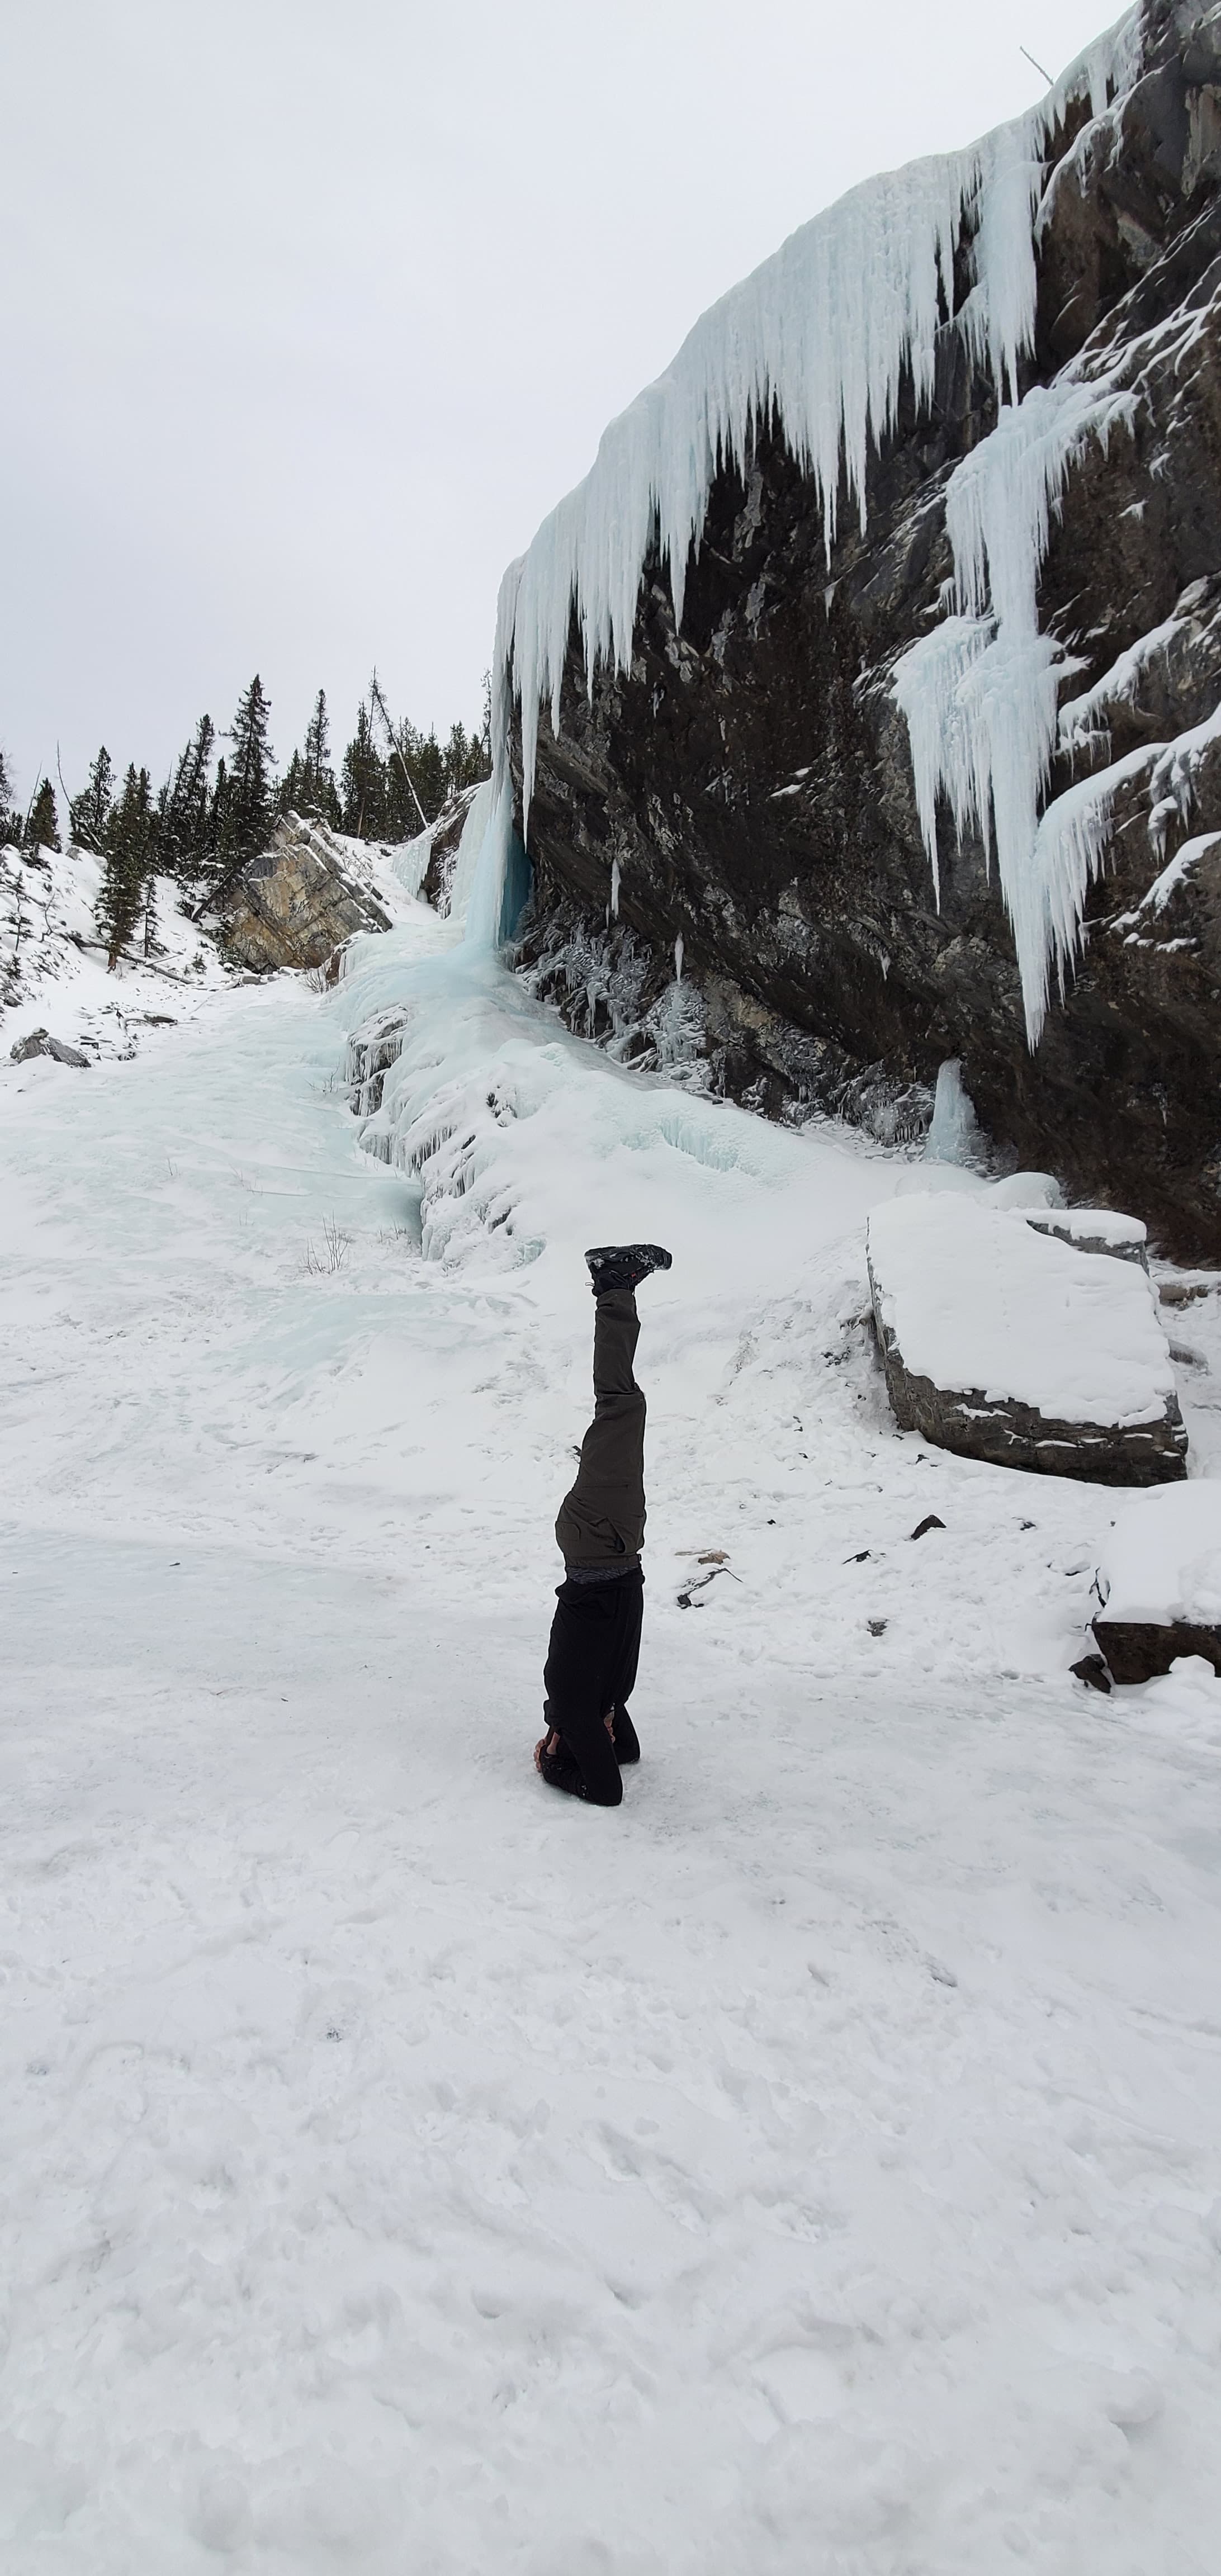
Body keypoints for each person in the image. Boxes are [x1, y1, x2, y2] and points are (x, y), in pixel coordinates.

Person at [534, 1243, 673, 1805]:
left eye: (599, 1739)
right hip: (613, 1544)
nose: (613, 1735)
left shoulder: (574, 1703)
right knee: (624, 1406)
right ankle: (614, 1287)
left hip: (598, 1535)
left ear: (571, 1739)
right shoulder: (604, 1699)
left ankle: (612, 1286)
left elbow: (607, 1789)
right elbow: (627, 1755)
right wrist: (608, 1724)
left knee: (621, 1404)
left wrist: (550, 1766)